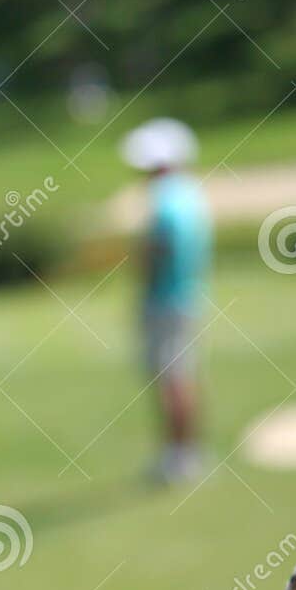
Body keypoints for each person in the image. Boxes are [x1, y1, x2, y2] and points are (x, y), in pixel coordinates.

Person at [120, 118, 212, 484]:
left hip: (166, 299)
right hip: (185, 296)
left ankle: (181, 456)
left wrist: (142, 270)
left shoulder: (165, 199)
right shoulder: (190, 192)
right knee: (181, 374)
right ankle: (185, 452)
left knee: (172, 378)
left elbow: (158, 249)